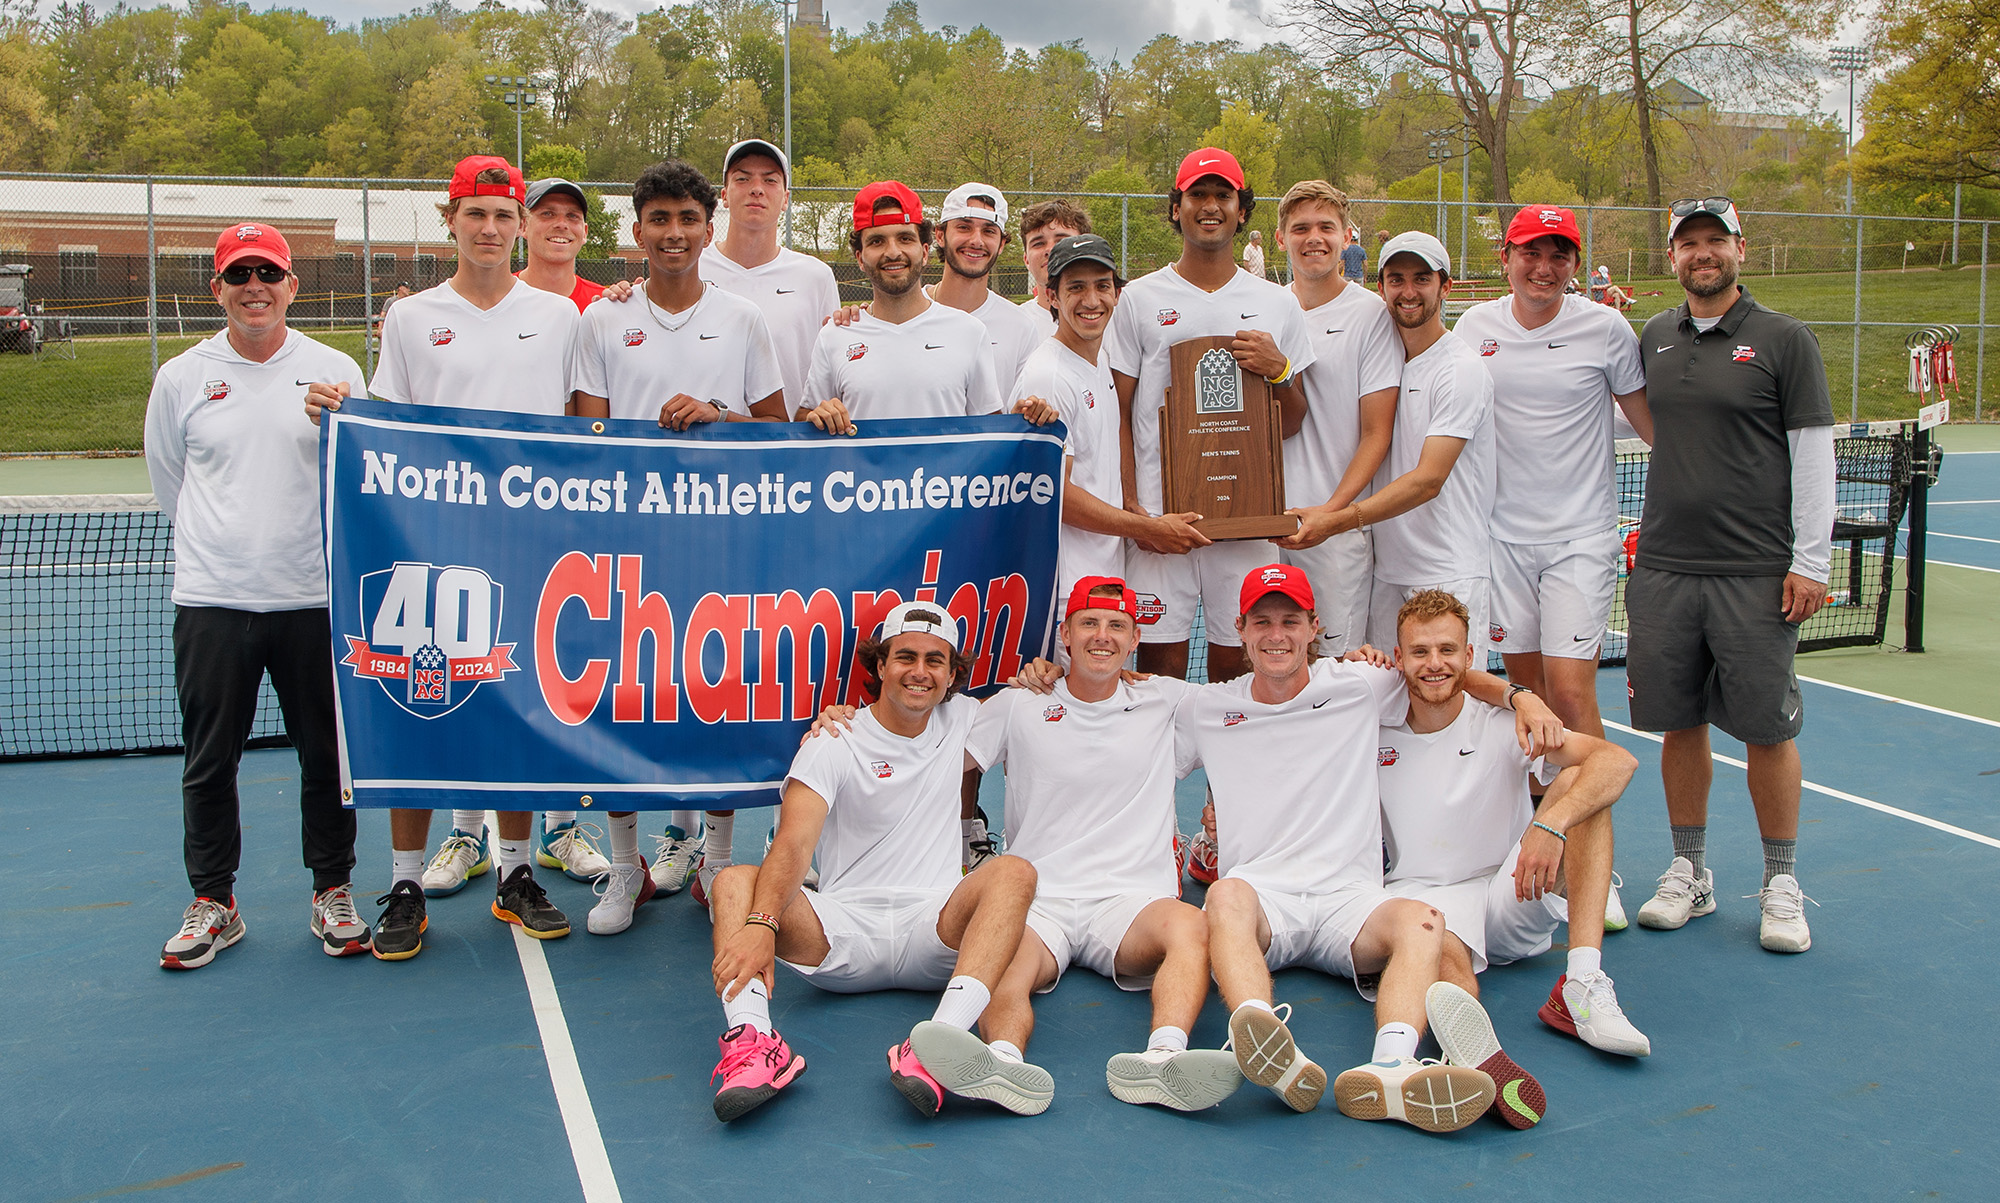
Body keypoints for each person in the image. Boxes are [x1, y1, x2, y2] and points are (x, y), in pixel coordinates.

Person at [309, 154, 583, 958]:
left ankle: (516, 872)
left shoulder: (562, 316)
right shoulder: (410, 317)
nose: (491, 229)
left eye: (505, 216)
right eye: (477, 215)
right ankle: (401, 880)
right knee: (413, 700)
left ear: (521, 226)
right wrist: (343, 413)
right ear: (451, 221)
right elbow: (388, 422)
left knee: (518, 708)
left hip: (530, 544)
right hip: (430, 544)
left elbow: (581, 426)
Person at [1188, 563, 1562, 1130]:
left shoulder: (1360, 683)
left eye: (1290, 620)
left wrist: (1520, 696)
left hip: (1351, 902)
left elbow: (1441, 674)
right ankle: (1260, 1034)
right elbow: (1119, 709)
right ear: (1239, 629)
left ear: (1315, 627)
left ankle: (1391, 1067)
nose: (1276, 634)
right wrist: (1044, 679)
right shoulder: (1205, 706)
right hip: (1267, 904)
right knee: (1225, 898)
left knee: (1424, 921)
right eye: (1262, 621)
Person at [706, 604, 1046, 1122]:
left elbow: (1074, 694)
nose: (919, 671)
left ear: (953, 675)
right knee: (732, 883)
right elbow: (794, 844)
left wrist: (1054, 669)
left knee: (1015, 872)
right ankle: (753, 1043)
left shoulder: (970, 719)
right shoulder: (834, 740)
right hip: (841, 935)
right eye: (905, 656)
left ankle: (939, 1044)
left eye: (936, 660)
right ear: (880, 666)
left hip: (935, 933)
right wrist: (762, 923)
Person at [566, 158, 789, 931]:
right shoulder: (601, 319)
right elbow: (584, 437)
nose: (673, 233)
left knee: (722, 699)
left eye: (687, 219)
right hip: (625, 550)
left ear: (707, 228)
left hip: (722, 547)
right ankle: (625, 869)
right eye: (658, 219)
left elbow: (780, 434)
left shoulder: (744, 319)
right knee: (622, 707)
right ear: (637, 232)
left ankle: (720, 860)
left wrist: (720, 415)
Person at [146, 222, 371, 969]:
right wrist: (227, 556)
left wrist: (344, 425)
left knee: (324, 759)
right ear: (217, 288)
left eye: (267, 273)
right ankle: (215, 899)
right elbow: (170, 481)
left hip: (315, 601)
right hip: (213, 604)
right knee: (210, 762)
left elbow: (365, 476)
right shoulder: (182, 377)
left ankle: (331, 888)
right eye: (238, 274)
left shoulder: (336, 369)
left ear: (291, 287)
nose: (254, 287)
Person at [1628, 197, 1835, 954]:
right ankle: (1690, 870)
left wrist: (1811, 561)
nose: (1702, 253)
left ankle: (1780, 880)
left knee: (1765, 732)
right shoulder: (1651, 335)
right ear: (1673, 256)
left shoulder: (1786, 340)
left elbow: (1813, 454)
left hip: (1756, 574)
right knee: (1679, 724)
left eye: (1716, 240)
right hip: (1665, 570)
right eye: (1690, 243)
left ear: (1740, 249)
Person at [1377, 590, 1653, 1126]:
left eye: (1448, 650)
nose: (1435, 664)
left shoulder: (1505, 723)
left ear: (1470, 656)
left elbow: (1618, 762)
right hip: (1419, 898)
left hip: (1512, 887)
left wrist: (1549, 822)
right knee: (1444, 954)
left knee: (1582, 784)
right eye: (1420, 652)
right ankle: (1482, 1063)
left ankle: (1581, 982)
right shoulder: (1371, 722)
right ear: (1398, 656)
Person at [965, 578, 1241, 1112]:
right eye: (1088, 623)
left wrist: (1360, 665)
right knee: (998, 959)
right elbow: (935, 759)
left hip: (1132, 904)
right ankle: (1001, 1061)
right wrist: (846, 724)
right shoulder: (1019, 703)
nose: (1102, 636)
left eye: (1117, 626)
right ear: (1064, 635)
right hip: (1040, 900)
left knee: (1192, 926)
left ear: (1135, 638)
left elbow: (1264, 707)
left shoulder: (1167, 699)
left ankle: (1163, 1059)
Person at [1451, 205, 1651, 930]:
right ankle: (1538, 843)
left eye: (1559, 254)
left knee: (1570, 695)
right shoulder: (1473, 331)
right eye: (1531, 252)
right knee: (1525, 696)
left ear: (1575, 263)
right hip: (1499, 540)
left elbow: (1654, 425)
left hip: (1580, 540)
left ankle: (1591, 861)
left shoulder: (1607, 330)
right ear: (1506, 257)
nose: (1544, 266)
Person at [1106, 147, 1316, 681]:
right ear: (1176, 207)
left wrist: (1279, 370)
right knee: (1158, 679)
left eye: (1222, 195)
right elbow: (1119, 413)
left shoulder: (1278, 303)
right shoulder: (1139, 299)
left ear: (1242, 210)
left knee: (1237, 677)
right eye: (1197, 194)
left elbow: (1291, 422)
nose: (1210, 206)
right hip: (1162, 523)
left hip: (1246, 523)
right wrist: (1136, 512)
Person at [1278, 231, 1494, 653]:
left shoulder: (1460, 369)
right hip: (1388, 571)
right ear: (1381, 288)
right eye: (1396, 279)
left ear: (1445, 286)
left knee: (1451, 702)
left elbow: (1427, 480)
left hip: (1448, 570)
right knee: (1388, 707)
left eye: (1421, 279)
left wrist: (1333, 520)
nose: (1408, 292)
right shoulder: (1394, 359)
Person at [516, 174, 638, 887]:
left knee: (568, 673)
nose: (559, 224)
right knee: (493, 668)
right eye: (546, 214)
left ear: (586, 231)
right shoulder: (472, 304)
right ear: (525, 226)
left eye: (572, 216)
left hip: (589, 524)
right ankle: (470, 835)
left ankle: (562, 826)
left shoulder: (603, 307)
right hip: (503, 519)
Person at [1010, 234, 1206, 612]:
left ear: (1117, 294)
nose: (1091, 300)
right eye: (1076, 288)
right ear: (1052, 297)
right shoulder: (1048, 375)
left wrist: (1132, 504)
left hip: (1100, 579)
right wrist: (1149, 529)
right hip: (1064, 591)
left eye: (1103, 286)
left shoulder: (1098, 361)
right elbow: (1053, 493)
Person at [1267, 181, 1401, 660]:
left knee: (1336, 672)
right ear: (1280, 238)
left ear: (1347, 237)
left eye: (1326, 227)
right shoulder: (1264, 306)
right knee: (1267, 664)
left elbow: (1376, 434)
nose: (1314, 238)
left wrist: (1332, 513)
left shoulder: (1372, 316)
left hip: (1335, 533)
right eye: (1300, 228)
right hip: (1260, 527)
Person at [798, 181, 1003, 430]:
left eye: (905, 238)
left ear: (925, 252)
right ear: (860, 259)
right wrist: (818, 416)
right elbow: (804, 425)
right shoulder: (835, 335)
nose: (893, 252)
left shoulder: (969, 331)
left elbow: (993, 435)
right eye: (877, 241)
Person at [930, 182, 1043, 394]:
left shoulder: (1021, 327)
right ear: (939, 235)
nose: (976, 241)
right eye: (964, 227)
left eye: (989, 231)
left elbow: (1023, 407)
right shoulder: (910, 312)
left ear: (1001, 244)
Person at [1017, 199, 1091, 317]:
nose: (1050, 250)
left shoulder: (1112, 318)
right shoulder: (1015, 322)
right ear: (1026, 260)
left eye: (1062, 241)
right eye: (1039, 243)